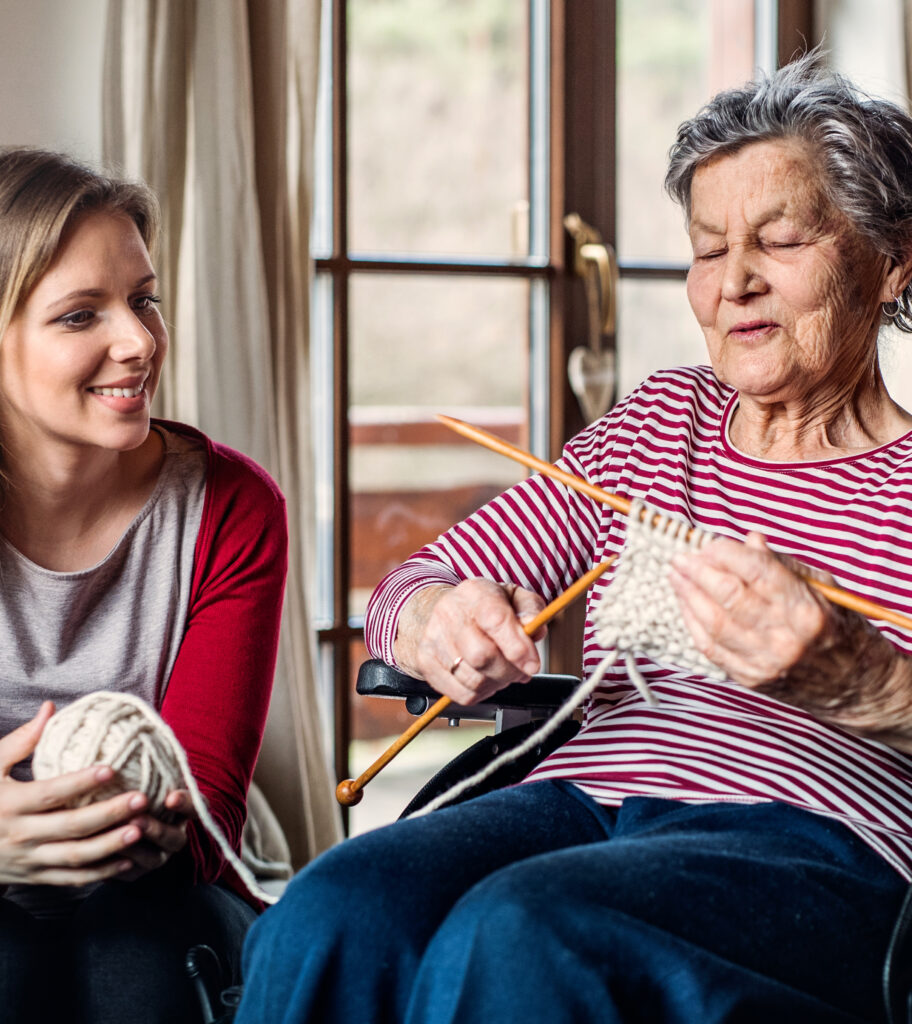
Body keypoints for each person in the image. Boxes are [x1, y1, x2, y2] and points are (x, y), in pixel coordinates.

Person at [235, 53, 912, 1024]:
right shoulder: (657, 423)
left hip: (824, 841)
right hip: (583, 804)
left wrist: (859, 679)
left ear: (889, 256)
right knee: (334, 908)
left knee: (522, 930)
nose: (734, 283)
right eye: (707, 248)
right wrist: (437, 621)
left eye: (781, 239)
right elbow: (410, 588)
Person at [0, 147, 288, 1024]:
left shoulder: (232, 508)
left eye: (143, 299)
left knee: (141, 973)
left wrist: (154, 838)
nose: (139, 341)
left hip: (149, 886)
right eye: (80, 316)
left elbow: (207, 804)